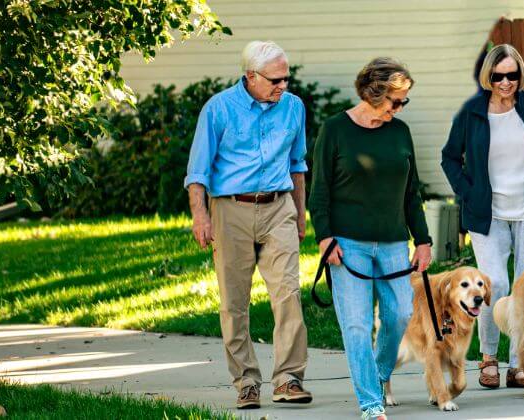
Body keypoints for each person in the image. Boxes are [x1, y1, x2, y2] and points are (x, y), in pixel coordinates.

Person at [184, 40, 312, 409]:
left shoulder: (293, 108)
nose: (283, 86)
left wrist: (299, 214)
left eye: (286, 79)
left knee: (288, 294)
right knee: (234, 302)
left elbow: (298, 164)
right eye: (275, 80)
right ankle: (246, 382)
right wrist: (200, 215)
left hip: (278, 207)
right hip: (230, 210)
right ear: (250, 76)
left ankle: (289, 379)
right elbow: (198, 170)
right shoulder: (219, 109)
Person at [308, 57, 432, 420]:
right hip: (348, 246)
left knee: (399, 315)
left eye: (404, 101)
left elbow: (412, 192)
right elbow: (320, 193)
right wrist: (324, 237)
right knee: (357, 324)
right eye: (395, 100)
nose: (400, 107)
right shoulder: (334, 130)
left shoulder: (400, 132)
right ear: (373, 94)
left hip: (393, 241)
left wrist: (422, 240)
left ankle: (377, 375)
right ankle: (370, 402)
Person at [441, 44, 524, 389]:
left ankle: (519, 363)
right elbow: (450, 158)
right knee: (493, 283)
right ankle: (488, 357)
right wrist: (468, 192)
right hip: (488, 215)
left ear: (520, 75)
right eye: (498, 76)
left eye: (512, 75)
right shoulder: (472, 112)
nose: (505, 82)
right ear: (488, 76)